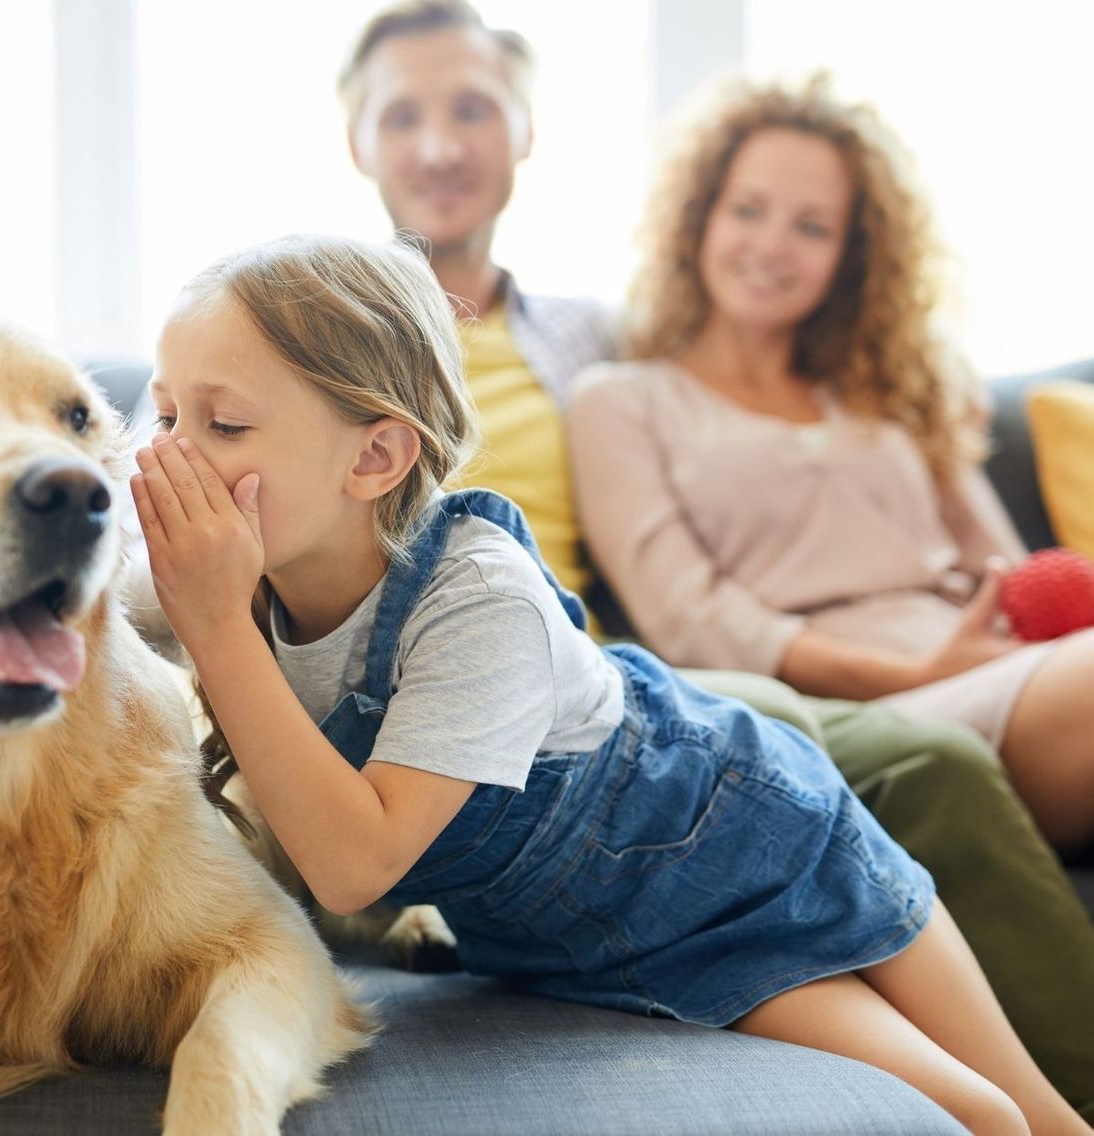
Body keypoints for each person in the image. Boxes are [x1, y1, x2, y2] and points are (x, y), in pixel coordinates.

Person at [130, 231, 1088, 1135]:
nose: (167, 456)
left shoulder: (475, 599)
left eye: (222, 424)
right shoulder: (232, 578)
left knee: (1004, 1117)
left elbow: (353, 865)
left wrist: (216, 626)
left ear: (375, 457)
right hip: (566, 945)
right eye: (166, 414)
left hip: (751, 853)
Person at [334, 0, 1094, 1117]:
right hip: (523, 679)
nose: (440, 145)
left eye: (472, 109)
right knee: (882, 756)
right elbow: (696, 614)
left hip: (612, 674)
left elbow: (1005, 567)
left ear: (527, 130)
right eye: (403, 116)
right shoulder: (321, 338)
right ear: (356, 140)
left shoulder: (591, 335)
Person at [566, 76, 1094, 854]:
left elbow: (1006, 572)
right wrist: (917, 674)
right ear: (699, 217)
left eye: (812, 226)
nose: (772, 245)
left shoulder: (888, 390)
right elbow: (694, 622)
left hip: (997, 669)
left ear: (850, 255)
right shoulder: (620, 401)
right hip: (859, 711)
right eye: (748, 210)